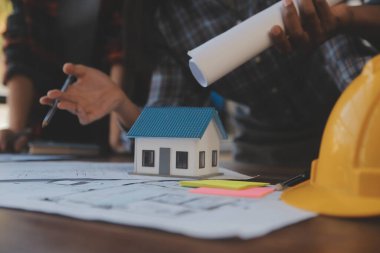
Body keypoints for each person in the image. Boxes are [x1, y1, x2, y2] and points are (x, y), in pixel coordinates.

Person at [40, 0, 380, 167]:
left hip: (351, 134)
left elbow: (350, 64)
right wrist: (122, 105)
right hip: (264, 155)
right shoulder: (170, 18)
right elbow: (175, 129)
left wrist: (341, 20)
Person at [0, 0, 125, 153]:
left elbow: (120, 53)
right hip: (41, 126)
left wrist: (116, 139)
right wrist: (16, 130)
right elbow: (20, 54)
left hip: (103, 117)